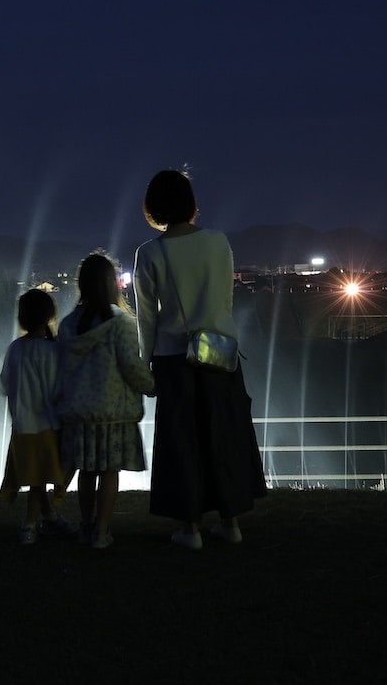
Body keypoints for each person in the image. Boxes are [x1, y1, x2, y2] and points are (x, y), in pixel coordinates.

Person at [132, 169, 267, 550]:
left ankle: (189, 529)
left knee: (182, 441)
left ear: (154, 207)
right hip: (220, 354)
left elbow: (147, 319)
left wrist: (146, 365)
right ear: (191, 204)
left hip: (175, 359)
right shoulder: (218, 242)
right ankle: (232, 522)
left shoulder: (150, 253)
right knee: (224, 435)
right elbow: (225, 301)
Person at [57, 253, 154, 549]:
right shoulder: (121, 322)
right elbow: (130, 365)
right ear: (111, 284)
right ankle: (102, 532)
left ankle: (86, 527)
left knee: (86, 472)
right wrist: (151, 385)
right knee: (109, 473)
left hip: (78, 412)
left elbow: (61, 369)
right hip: (113, 412)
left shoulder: (68, 325)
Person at [0, 288, 73, 544]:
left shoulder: (15, 349)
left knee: (34, 476)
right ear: (50, 316)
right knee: (39, 479)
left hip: (21, 426)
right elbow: (60, 388)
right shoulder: (54, 351)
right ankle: (29, 526)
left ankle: (50, 517)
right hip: (47, 425)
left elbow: (4, 383)